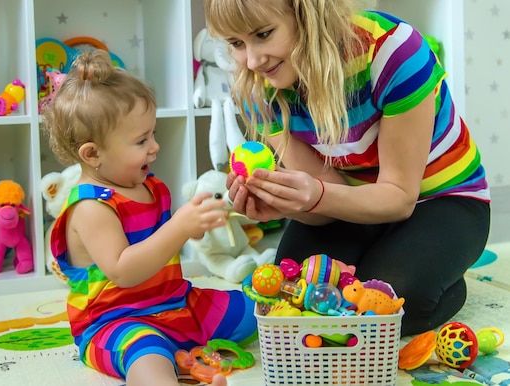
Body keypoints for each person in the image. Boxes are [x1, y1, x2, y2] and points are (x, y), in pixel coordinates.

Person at [204, 0, 491, 336]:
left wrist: (316, 195)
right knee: (291, 296)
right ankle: (400, 261)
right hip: (352, 202)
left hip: (442, 200)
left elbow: (399, 198)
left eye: (264, 34)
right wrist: (285, 203)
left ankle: (442, 282)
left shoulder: (393, 51)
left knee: (380, 306)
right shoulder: (256, 85)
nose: (252, 60)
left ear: (307, 12)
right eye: (237, 44)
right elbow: (325, 199)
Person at [42, 50, 257, 386]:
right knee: (148, 355)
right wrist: (179, 226)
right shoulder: (90, 207)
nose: (155, 147)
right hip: (116, 321)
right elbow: (125, 271)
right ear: (93, 154)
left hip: (175, 301)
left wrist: (197, 227)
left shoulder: (151, 187)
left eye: (152, 134)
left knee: (254, 311)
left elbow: (165, 243)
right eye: (141, 141)